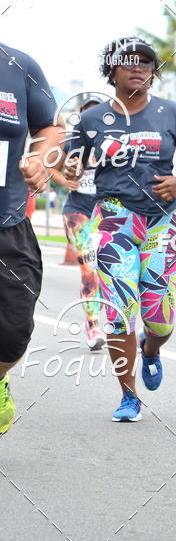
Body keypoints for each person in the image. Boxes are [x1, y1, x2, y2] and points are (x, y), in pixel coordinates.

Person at [64, 37, 176, 421]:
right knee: (119, 312)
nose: (139, 68)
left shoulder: (170, 114)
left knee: (160, 319)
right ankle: (129, 396)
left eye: (145, 63)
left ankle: (152, 350)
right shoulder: (92, 120)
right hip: (114, 219)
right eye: (128, 62)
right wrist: (71, 169)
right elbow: (70, 163)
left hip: (163, 219)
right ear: (111, 70)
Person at [0, 42, 62, 434]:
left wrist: (41, 158)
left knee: (13, 331)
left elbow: (51, 126)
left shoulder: (18, 65)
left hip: (8, 223)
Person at [53, 95, 106, 351]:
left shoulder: (114, 144)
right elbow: (50, 166)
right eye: (86, 114)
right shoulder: (73, 143)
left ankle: (121, 324)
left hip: (107, 213)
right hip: (78, 211)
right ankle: (93, 325)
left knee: (112, 272)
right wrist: (66, 180)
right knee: (89, 268)